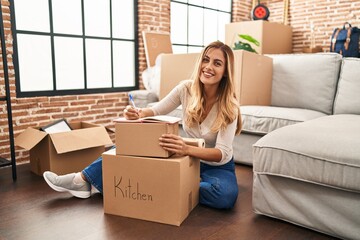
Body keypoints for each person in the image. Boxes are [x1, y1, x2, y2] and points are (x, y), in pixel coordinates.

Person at [43, 40, 242, 209]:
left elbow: (221, 153)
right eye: (205, 60)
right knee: (133, 147)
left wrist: (186, 148)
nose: (208, 67)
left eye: (217, 63)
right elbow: (155, 110)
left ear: (225, 72)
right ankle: (81, 181)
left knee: (224, 196)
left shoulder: (229, 106)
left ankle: (178, 184)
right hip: (185, 157)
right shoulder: (186, 89)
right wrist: (137, 112)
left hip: (217, 167)